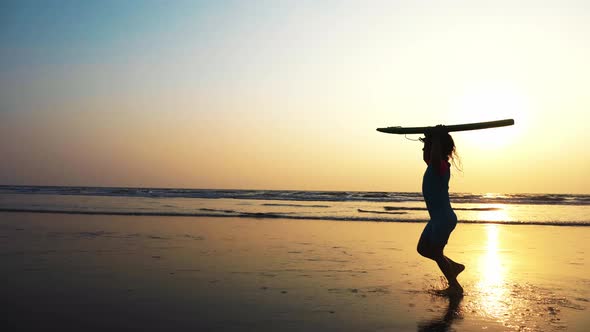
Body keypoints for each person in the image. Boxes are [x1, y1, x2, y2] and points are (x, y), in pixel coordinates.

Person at [417, 126, 464, 296]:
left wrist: (436, 137)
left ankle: (455, 287)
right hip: (437, 219)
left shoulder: (441, 166)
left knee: (436, 252)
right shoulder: (432, 165)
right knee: (423, 249)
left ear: (437, 149)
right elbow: (427, 156)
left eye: (427, 147)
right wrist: (429, 137)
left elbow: (434, 155)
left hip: (443, 219)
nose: (424, 150)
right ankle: (454, 267)